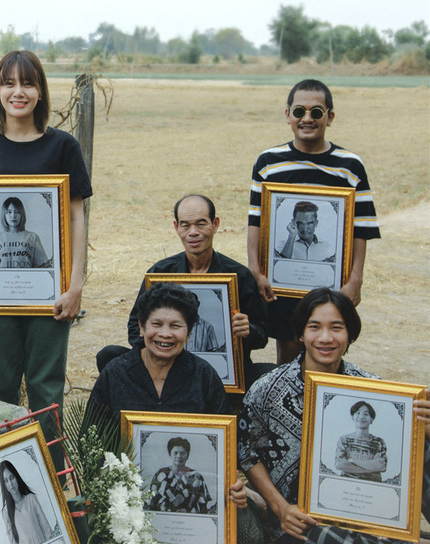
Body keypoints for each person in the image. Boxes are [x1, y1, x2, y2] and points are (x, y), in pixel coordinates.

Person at [0, 50, 91, 470]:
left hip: (50, 296)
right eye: (8, 83)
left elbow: (76, 217)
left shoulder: (62, 147)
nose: (18, 92)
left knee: (47, 390)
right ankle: (1, 472)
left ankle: (53, 476)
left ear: (40, 91)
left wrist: (75, 285)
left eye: (27, 83)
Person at [238, 288, 430, 544]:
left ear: (350, 334)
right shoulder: (267, 390)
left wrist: (423, 428)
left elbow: (394, 460)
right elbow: (246, 452)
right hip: (299, 518)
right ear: (301, 333)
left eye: (336, 328)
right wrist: (281, 508)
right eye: (315, 327)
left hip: (364, 513)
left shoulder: (375, 392)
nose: (325, 338)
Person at [86, 283, 249, 524]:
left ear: (189, 332)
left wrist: (232, 483)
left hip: (191, 505)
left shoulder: (204, 376)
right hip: (125, 499)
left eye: (175, 326)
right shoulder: (115, 374)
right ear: (141, 327)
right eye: (156, 324)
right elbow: (92, 440)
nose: (165, 334)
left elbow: (224, 449)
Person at [247, 79, 380, 364]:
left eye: (316, 112)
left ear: (329, 117)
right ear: (287, 116)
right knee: (288, 352)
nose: (307, 119)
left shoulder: (350, 165)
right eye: (299, 112)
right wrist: (256, 270)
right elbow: (256, 221)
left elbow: (361, 228)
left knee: (326, 349)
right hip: (282, 282)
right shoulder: (268, 162)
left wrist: (355, 280)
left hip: (332, 282)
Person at [95, 195, 269, 388]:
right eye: (185, 225)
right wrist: (159, 344)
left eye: (201, 224)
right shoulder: (160, 273)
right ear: (176, 227)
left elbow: (261, 335)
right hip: (165, 367)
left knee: (270, 374)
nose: (193, 232)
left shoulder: (238, 276)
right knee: (110, 356)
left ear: (215, 224)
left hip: (219, 374)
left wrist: (247, 330)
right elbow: (135, 327)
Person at [147, 437, 216, 514]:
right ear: (170, 454)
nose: (179, 456)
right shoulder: (161, 474)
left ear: (187, 456)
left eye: (182, 453)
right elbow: (152, 502)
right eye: (175, 453)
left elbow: (203, 506)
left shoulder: (196, 477)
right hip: (163, 520)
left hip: (190, 521)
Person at [0, 461, 51, 544]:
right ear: (3, 485)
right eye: (6, 481)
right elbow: (12, 541)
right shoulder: (6, 512)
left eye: (12, 477)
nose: (10, 484)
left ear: (16, 477)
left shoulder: (31, 499)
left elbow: (47, 530)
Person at [0, 196, 50, 268]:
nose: (13, 215)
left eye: (17, 212)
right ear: (4, 215)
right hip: (4, 278)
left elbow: (43, 265)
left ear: (22, 214)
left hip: (27, 278)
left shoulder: (32, 237)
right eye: (9, 212)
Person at [334, 401, 387, 482]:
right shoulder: (344, 440)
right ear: (352, 417)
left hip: (373, 486)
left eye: (366, 414)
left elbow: (381, 466)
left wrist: (352, 460)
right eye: (358, 413)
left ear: (372, 420)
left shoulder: (379, 442)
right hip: (347, 484)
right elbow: (339, 464)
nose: (361, 416)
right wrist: (371, 467)